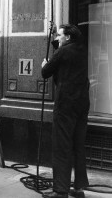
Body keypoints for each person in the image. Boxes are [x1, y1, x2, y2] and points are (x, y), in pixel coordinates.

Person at [41, 24, 90, 198]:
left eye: (59, 35)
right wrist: (55, 37)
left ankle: (60, 190)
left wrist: (44, 64)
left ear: (67, 37)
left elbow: (46, 72)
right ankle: (79, 188)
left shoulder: (62, 53)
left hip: (65, 105)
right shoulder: (82, 50)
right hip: (82, 104)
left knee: (62, 146)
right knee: (78, 144)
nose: (57, 38)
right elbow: (63, 53)